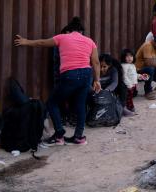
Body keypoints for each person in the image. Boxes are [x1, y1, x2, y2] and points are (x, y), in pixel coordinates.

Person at [14, 17, 100, 145]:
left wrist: (26, 42)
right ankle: (78, 137)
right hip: (86, 75)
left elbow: (42, 43)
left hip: (70, 74)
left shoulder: (62, 37)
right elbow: (96, 62)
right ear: (81, 31)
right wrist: (97, 80)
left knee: (52, 103)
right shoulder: (90, 41)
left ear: (69, 30)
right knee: (80, 105)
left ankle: (59, 134)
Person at [120, 48, 139, 115]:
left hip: (133, 85)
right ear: (123, 57)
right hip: (128, 86)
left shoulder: (132, 65)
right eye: (127, 56)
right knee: (128, 98)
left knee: (131, 97)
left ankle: (130, 107)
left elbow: (134, 74)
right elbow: (124, 76)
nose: (129, 58)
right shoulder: (124, 66)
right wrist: (129, 85)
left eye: (131, 56)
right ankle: (128, 108)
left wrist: (140, 76)